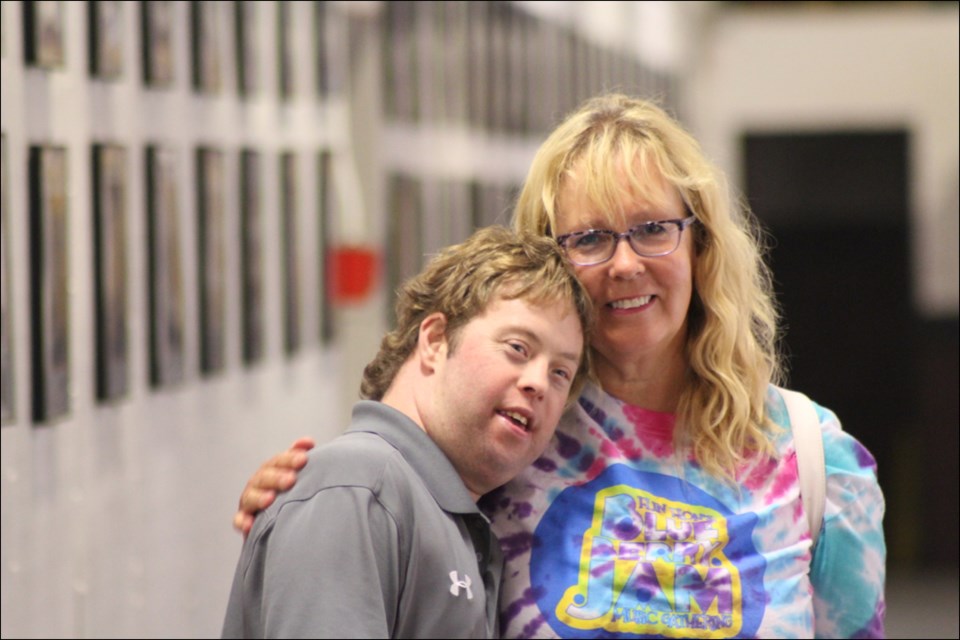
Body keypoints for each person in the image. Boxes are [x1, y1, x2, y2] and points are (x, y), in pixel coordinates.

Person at [233, 94, 886, 639]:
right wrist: (296, 492)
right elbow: (381, 492)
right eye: (591, 239)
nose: (625, 264)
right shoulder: (513, 438)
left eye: (653, 228)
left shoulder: (812, 460)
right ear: (549, 261)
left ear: (700, 245)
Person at [221, 225, 594, 638]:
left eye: (560, 372)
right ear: (435, 340)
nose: (538, 382)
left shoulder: (440, 512)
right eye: (517, 348)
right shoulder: (356, 489)